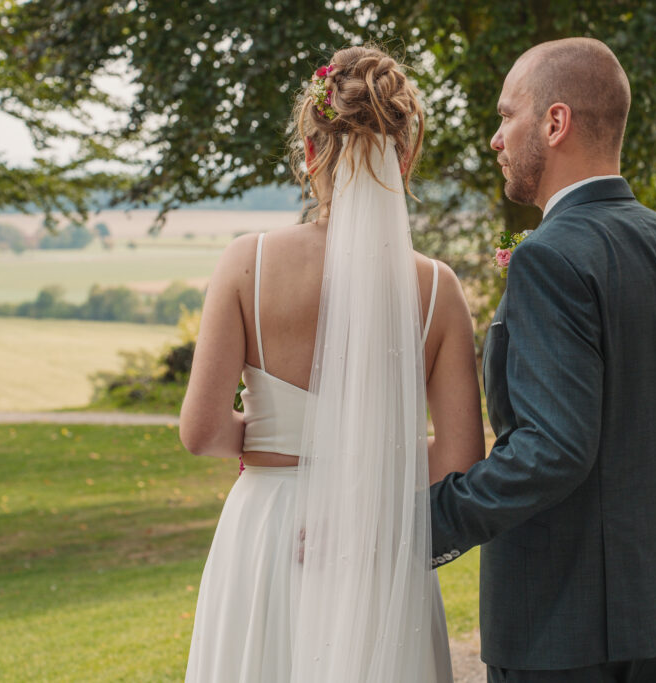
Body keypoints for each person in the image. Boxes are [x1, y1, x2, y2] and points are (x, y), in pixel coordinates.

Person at [179, 45, 485, 683]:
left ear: (311, 151)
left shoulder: (246, 262)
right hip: (377, 540)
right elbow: (461, 458)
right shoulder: (438, 288)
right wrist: (371, 471)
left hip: (266, 531)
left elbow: (201, 432)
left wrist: (272, 438)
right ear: (403, 157)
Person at [429, 38, 656, 682]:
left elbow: (551, 450)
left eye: (507, 116)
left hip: (562, 624)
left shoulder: (548, 257)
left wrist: (418, 525)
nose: (495, 140)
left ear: (554, 123)